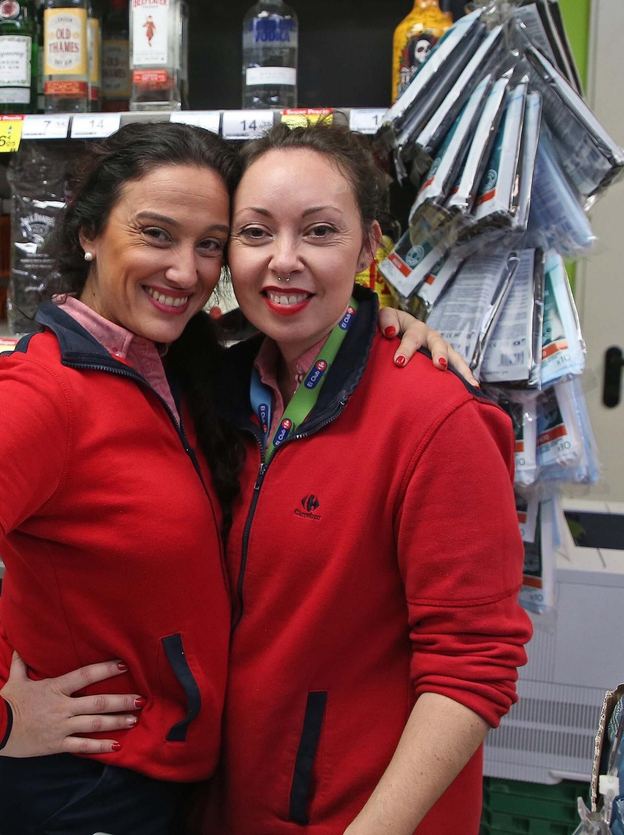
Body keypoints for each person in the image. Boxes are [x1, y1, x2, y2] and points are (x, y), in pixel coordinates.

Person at [0, 124, 454, 835]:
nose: (185, 271)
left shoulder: (179, 366)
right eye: (156, 234)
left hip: (163, 776)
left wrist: (377, 322)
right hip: (80, 787)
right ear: (89, 231)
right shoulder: (42, 392)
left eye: (210, 243)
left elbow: (305, 340)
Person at [201, 122, 532, 835]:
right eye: (256, 233)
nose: (282, 261)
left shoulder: (435, 417)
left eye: (318, 232)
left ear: (370, 246)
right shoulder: (225, 390)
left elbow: (473, 667)